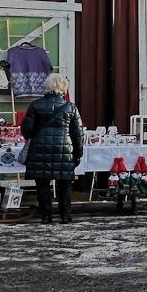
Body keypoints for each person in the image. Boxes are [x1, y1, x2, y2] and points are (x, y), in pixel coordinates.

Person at [21, 72, 84, 224]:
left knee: (42, 185)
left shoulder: (35, 105)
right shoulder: (71, 108)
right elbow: (77, 134)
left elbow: (26, 130)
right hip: (64, 151)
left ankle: (46, 215)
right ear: (64, 88)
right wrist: (78, 153)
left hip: (40, 150)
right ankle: (65, 215)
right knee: (65, 186)